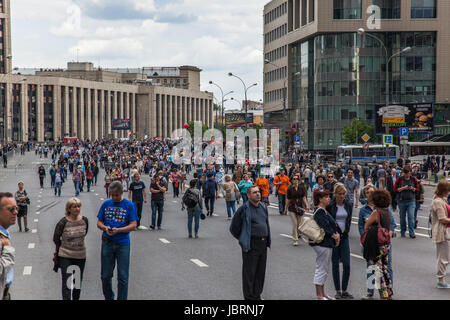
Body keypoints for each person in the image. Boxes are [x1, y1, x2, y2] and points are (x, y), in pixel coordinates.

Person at [97, 181, 138, 300]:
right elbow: (99, 222)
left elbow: (133, 225)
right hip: (107, 242)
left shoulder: (129, 205)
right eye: (112, 195)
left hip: (122, 244)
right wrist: (105, 227)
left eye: (116, 195)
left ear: (121, 193)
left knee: (123, 276)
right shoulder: (106, 204)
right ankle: (109, 297)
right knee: (105, 275)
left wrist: (119, 230)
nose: (114, 197)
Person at [230, 185, 271, 300]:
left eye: (258, 192)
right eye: (254, 193)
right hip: (251, 244)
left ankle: (257, 295)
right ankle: (249, 298)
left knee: (260, 272)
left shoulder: (263, 206)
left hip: (263, 244)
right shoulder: (244, 209)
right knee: (250, 273)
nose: (258, 194)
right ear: (248, 195)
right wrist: (244, 238)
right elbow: (234, 228)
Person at [53, 198, 88, 300]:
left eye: (78, 206)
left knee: (77, 283)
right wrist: (64, 247)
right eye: (74, 207)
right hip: (66, 255)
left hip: (80, 255)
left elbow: (84, 234)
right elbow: (56, 238)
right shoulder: (63, 222)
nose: (77, 209)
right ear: (69, 209)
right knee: (67, 282)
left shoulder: (84, 220)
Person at [363, 190, 394, 300]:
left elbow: (366, 226)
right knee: (385, 270)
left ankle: (383, 295)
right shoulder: (388, 211)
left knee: (377, 271)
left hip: (377, 244)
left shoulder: (376, 212)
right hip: (386, 244)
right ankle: (389, 292)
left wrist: (370, 223)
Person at [310, 189, 340, 300]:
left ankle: (322, 293)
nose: (329, 199)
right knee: (321, 268)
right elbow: (324, 226)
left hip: (326, 243)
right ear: (320, 199)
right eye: (326, 197)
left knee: (324, 268)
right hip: (322, 243)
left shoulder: (323, 210)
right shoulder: (320, 211)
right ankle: (319, 294)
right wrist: (334, 235)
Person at [326, 183, 353, 299]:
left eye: (343, 194)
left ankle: (345, 290)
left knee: (347, 264)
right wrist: (332, 233)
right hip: (334, 237)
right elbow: (327, 221)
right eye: (339, 194)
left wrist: (346, 231)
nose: (342, 196)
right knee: (335, 263)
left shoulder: (348, 204)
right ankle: (338, 290)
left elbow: (349, 219)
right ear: (335, 194)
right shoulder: (330, 205)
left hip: (344, 236)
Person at [430, 180, 450, 288]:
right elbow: (442, 218)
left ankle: (441, 279)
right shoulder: (438, 201)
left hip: (446, 231)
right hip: (442, 232)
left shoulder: (442, 199)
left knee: (446, 256)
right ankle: (440, 280)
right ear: (444, 190)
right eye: (448, 190)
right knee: (443, 257)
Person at [0, 193, 17, 300]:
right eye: (11, 209)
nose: (16, 212)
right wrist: (8, 251)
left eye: (16, 208)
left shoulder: (4, 232)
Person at [394, 167, 419, 238]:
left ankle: (411, 232)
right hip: (401, 201)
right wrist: (403, 188)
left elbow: (417, 189)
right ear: (404, 173)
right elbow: (395, 189)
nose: (408, 175)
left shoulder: (413, 179)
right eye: (407, 174)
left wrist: (412, 188)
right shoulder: (400, 179)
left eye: (409, 173)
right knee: (402, 217)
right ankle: (403, 231)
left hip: (411, 200)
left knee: (411, 216)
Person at [285, 174, 309, 246]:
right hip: (292, 207)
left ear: (299, 180)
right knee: (295, 224)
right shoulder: (290, 189)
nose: (295, 180)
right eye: (294, 179)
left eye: (296, 179)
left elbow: (304, 197)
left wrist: (307, 205)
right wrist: (285, 208)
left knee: (299, 224)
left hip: (299, 207)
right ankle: (295, 239)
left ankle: (297, 233)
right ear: (292, 181)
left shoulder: (301, 188)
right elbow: (288, 199)